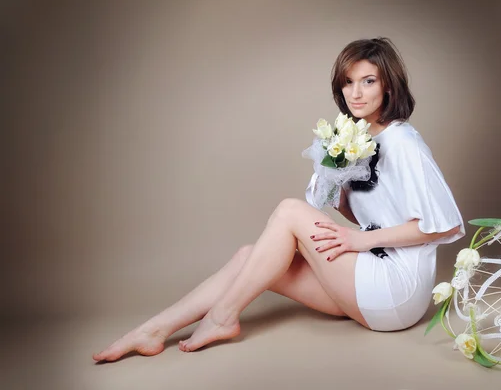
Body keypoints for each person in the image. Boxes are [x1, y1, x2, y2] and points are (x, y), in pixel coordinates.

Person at [93, 37, 465, 362]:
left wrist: (358, 240)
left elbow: (443, 225)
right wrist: (336, 181)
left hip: (397, 292)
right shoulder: (360, 138)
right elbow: (369, 214)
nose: (356, 93)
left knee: (289, 211)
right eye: (348, 82)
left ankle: (223, 317)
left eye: (368, 81)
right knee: (248, 258)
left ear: (389, 86)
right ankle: (154, 330)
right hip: (367, 286)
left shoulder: (403, 141)